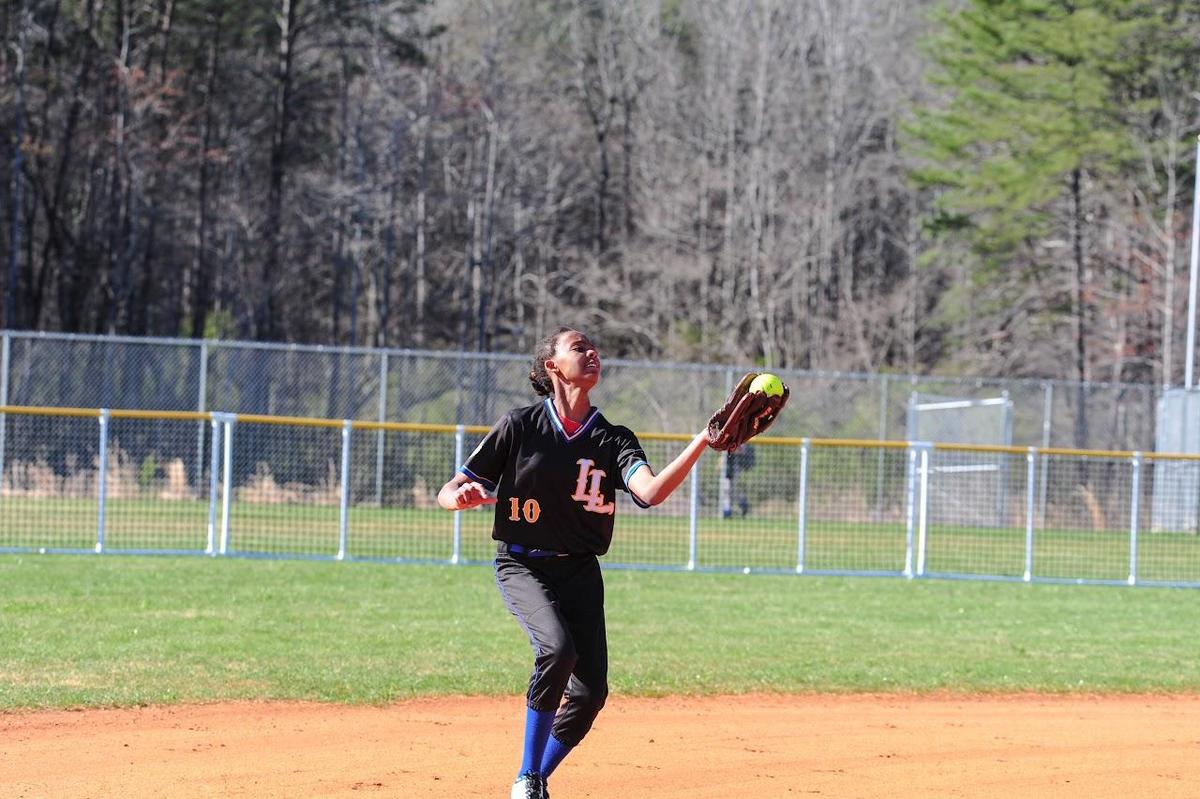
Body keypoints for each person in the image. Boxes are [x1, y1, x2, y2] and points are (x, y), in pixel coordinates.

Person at [437, 327, 711, 799]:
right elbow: (448, 489)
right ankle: (527, 778)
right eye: (578, 347)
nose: (592, 353)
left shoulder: (612, 438)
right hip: (522, 564)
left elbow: (649, 492)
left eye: (593, 347)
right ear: (552, 366)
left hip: (580, 571)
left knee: (589, 695)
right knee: (557, 650)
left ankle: (538, 777)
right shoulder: (519, 425)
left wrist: (703, 439)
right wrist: (457, 498)